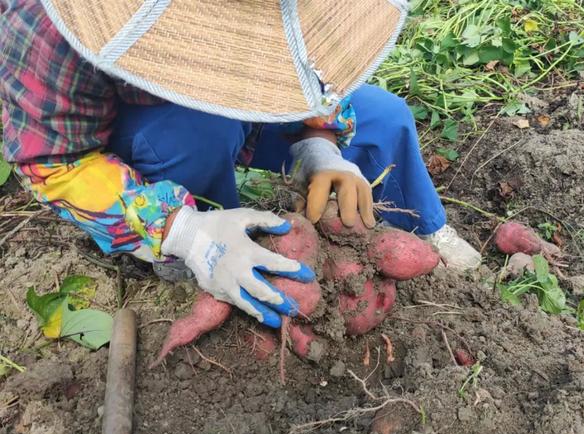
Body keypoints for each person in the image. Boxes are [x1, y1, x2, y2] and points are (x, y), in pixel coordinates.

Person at [0, 0, 480, 329]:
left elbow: (317, 72)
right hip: (147, 134)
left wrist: (319, 140)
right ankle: (203, 250)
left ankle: (416, 228)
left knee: (386, 117)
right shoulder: (46, 23)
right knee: (200, 133)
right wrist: (182, 230)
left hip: (246, 103)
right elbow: (54, 162)